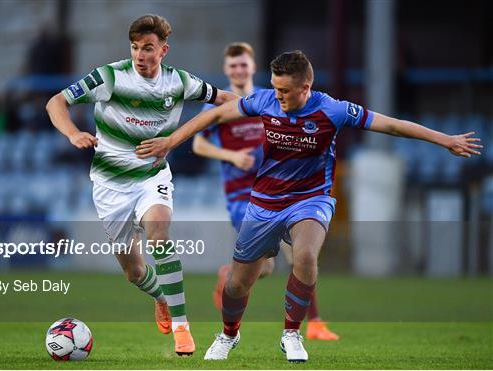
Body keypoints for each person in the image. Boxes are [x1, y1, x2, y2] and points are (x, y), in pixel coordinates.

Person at [135, 50, 482, 362]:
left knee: (304, 256)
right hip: (264, 203)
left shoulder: (332, 109)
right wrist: (170, 140)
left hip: (311, 199)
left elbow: (391, 125)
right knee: (237, 285)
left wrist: (445, 140)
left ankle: (291, 334)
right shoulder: (263, 101)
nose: (279, 96)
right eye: (275, 88)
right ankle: (228, 335)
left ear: (306, 86)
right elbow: (213, 117)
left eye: (285, 90)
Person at [46, 14, 237, 356]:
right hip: (110, 185)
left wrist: (269, 107)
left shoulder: (179, 82)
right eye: (135, 47)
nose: (139, 54)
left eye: (147, 48)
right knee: (134, 271)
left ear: (163, 50)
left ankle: (182, 328)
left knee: (159, 236)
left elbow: (225, 99)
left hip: (152, 177)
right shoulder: (110, 77)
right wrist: (73, 133)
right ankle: (162, 298)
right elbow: (55, 102)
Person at [192, 42, 338, 341]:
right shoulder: (218, 104)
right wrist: (231, 157)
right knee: (268, 266)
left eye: (243, 65)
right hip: (240, 194)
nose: (238, 70)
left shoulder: (272, 96)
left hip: (282, 190)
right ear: (226, 69)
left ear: (252, 66)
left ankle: (315, 322)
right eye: (233, 66)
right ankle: (230, 276)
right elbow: (199, 144)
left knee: (300, 253)